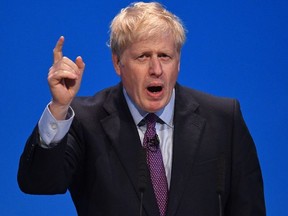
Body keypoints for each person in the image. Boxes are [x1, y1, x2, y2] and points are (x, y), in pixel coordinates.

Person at [17, 2, 266, 216]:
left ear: (178, 62)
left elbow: (250, 208)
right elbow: (38, 183)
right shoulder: (85, 121)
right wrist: (60, 108)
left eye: (165, 56)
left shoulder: (223, 119)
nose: (156, 69)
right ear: (117, 62)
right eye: (143, 56)